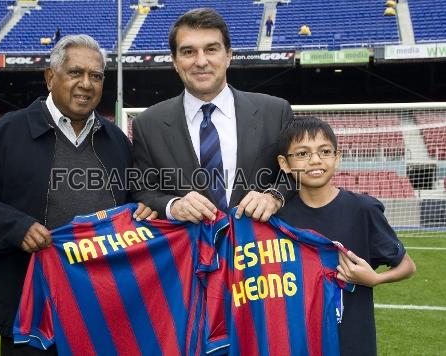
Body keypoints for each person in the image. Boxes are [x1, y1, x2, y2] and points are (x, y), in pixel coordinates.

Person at [0, 34, 155, 355]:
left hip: (102, 307)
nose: (86, 84)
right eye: (75, 73)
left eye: (96, 76)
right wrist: (15, 227)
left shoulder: (117, 141)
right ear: (49, 77)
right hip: (30, 308)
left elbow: (137, 208)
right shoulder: (9, 132)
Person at [132, 8, 293, 224]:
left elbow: (294, 175)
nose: (200, 61)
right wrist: (172, 206)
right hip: (189, 253)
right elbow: (143, 190)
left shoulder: (275, 112)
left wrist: (274, 197)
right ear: (175, 61)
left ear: (228, 55)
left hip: (259, 251)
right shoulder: (147, 124)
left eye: (211, 49)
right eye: (188, 52)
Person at [276, 116, 416, 356]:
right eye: (302, 154)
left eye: (324, 151)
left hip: (352, 344)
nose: (315, 160)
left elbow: (407, 266)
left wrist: (375, 279)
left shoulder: (363, 210)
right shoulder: (278, 219)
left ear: (337, 157)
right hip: (297, 344)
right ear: (285, 164)